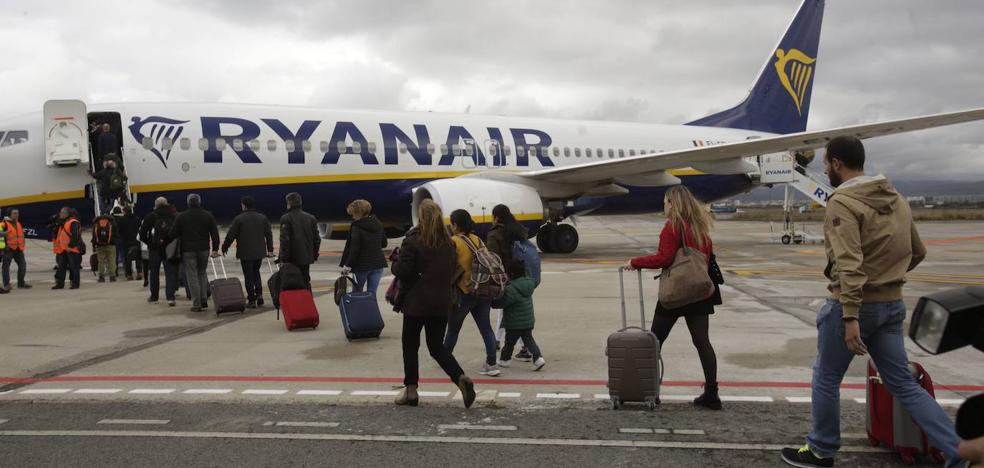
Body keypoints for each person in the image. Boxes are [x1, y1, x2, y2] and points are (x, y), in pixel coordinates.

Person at [780, 136, 966, 468]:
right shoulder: (897, 198)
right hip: (892, 304)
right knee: (904, 385)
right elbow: (918, 251)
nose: (825, 169)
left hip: (854, 308)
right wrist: (887, 278)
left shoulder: (843, 202)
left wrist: (851, 316)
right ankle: (960, 452)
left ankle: (821, 449)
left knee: (826, 377)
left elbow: (849, 264)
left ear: (836, 163)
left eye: (826, 164)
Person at [625, 185, 722, 410]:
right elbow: (705, 261)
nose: (664, 205)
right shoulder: (700, 228)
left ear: (673, 204)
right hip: (700, 291)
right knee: (702, 342)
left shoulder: (673, 227)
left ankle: (649, 391)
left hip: (676, 293)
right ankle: (711, 393)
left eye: (666, 202)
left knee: (654, 341)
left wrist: (635, 261)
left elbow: (664, 258)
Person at [391, 199, 476, 409]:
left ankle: (411, 390)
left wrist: (395, 262)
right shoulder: (448, 242)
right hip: (441, 302)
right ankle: (460, 377)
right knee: (437, 347)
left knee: (410, 346)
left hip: (416, 302)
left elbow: (403, 270)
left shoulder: (413, 240)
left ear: (421, 217)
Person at [443, 209, 500, 377]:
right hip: (482, 290)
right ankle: (491, 363)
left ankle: (445, 358)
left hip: (464, 291)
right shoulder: (478, 240)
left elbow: (448, 266)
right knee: (486, 328)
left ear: (455, 224)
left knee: (453, 327)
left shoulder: (454, 242)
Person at [485, 204, 534, 361]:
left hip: (506, 276)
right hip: (522, 274)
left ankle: (518, 346)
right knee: (515, 310)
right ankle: (501, 340)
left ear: (496, 218)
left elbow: (492, 258)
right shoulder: (518, 230)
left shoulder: (495, 234)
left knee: (508, 310)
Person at [169, 194, 220, 312]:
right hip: (204, 250)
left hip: (188, 250)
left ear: (188, 203)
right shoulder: (208, 215)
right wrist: (215, 249)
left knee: (192, 276)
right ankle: (203, 299)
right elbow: (215, 234)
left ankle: (197, 303)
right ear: (199, 202)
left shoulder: (182, 216)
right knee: (202, 273)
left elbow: (172, 234)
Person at [221, 196, 274, 308]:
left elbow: (231, 235)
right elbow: (269, 235)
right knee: (256, 273)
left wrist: (225, 247)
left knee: (248, 276)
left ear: (244, 205)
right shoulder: (262, 218)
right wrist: (270, 250)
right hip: (259, 252)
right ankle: (259, 295)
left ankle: (251, 299)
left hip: (245, 253)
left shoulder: (239, 219)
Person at [495, 260, 546, 372]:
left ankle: (504, 360)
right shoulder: (528, 284)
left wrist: (493, 302)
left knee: (509, 343)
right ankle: (538, 358)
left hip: (514, 323)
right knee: (529, 340)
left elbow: (502, 303)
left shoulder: (511, 288)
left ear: (511, 274)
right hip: (528, 321)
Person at [339, 199, 388, 295]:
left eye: (353, 214)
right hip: (378, 264)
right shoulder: (378, 223)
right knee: (372, 294)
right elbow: (384, 243)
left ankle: (357, 310)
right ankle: (370, 310)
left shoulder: (357, 227)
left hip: (362, 266)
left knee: (357, 293)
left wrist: (348, 266)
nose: (353, 217)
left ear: (358, 213)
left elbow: (354, 250)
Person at [141, 197, 178, 305]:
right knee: (170, 272)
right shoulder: (173, 216)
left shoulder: (151, 216)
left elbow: (142, 233)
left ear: (155, 205)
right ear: (166, 204)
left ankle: (154, 297)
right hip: (169, 248)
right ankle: (170, 297)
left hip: (154, 248)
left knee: (154, 273)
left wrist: (149, 243)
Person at [277, 192, 320, 288]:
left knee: (292, 283)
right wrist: (314, 254)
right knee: (305, 281)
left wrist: (283, 259)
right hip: (306, 258)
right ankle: (307, 301)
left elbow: (285, 240)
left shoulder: (286, 218)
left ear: (289, 204)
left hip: (292, 259)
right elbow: (317, 239)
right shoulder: (311, 218)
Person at [52, 207, 83, 290]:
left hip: (71, 249)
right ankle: (60, 284)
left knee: (74, 268)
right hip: (63, 249)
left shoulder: (73, 222)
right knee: (61, 267)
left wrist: (70, 246)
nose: (60, 214)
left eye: (62, 213)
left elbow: (75, 236)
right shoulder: (63, 222)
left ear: (67, 214)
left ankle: (75, 284)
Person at [2, 208, 30, 291]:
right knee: (6, 267)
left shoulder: (18, 223)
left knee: (23, 266)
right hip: (8, 249)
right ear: (9, 214)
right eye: (14, 213)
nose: (16, 214)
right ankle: (7, 284)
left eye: (17, 213)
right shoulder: (4, 224)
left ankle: (21, 283)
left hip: (19, 249)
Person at [115, 205, 142, 281]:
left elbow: (118, 231)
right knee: (138, 257)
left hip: (126, 241)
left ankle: (129, 274)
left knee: (127, 259)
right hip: (136, 240)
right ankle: (139, 272)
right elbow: (140, 228)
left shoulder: (121, 220)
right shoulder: (137, 219)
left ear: (125, 211)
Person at [91, 213, 118, 282]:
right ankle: (112, 277)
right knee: (111, 261)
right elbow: (116, 234)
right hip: (111, 245)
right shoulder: (112, 223)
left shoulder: (96, 224)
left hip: (99, 246)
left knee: (101, 262)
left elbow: (94, 236)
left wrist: (94, 246)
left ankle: (101, 277)